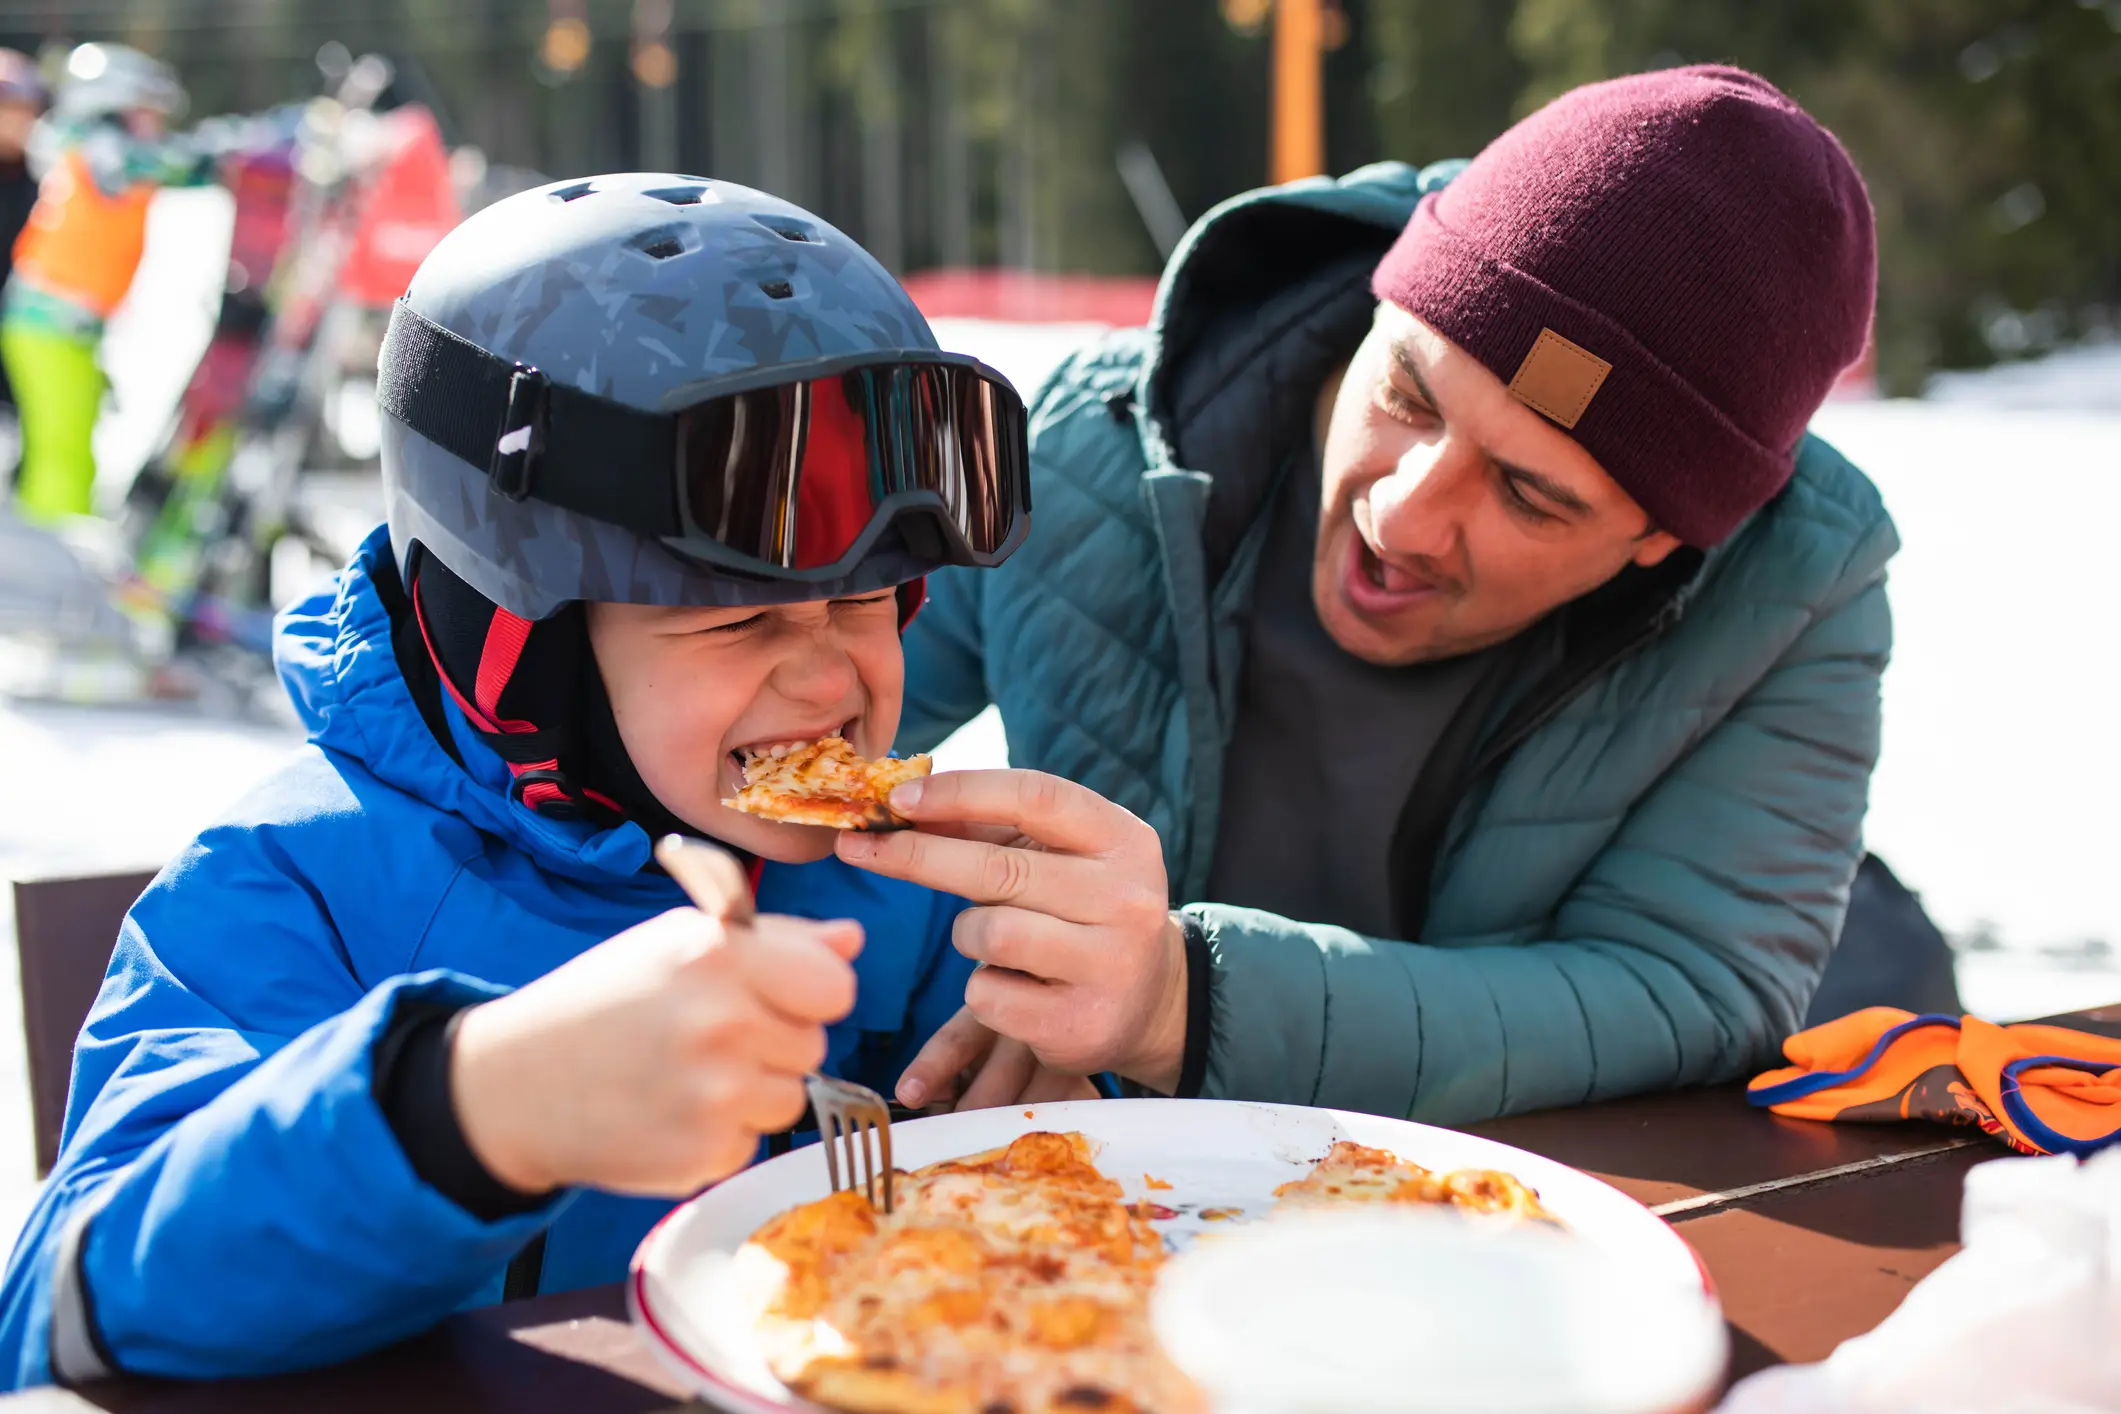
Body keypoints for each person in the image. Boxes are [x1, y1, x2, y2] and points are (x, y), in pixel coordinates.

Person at [0, 173, 1059, 1388]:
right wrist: (466, 1110)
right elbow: (61, 1320)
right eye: (733, 623)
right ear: (521, 650)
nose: (831, 680)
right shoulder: (291, 890)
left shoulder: (913, 902)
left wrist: (1118, 1025)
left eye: (869, 601)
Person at [863, 66, 1895, 1121]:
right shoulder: (1092, 441)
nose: (1403, 514)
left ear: (1660, 539)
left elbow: (1691, 984)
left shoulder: (1789, 595)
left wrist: (1185, 1002)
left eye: (1530, 496)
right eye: (1406, 391)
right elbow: (787, 732)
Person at [2, 43, 212, 523]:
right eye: (145, 112)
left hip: (60, 327)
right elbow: (172, 164)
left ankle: (52, 558)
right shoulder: (102, 149)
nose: (154, 124)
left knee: (70, 454)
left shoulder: (88, 144)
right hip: (51, 324)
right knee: (62, 460)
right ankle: (48, 573)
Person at [0, 50, 47, 425]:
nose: (21, 120)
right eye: (10, 107)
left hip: (20, 337)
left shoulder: (40, 180)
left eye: (28, 108)